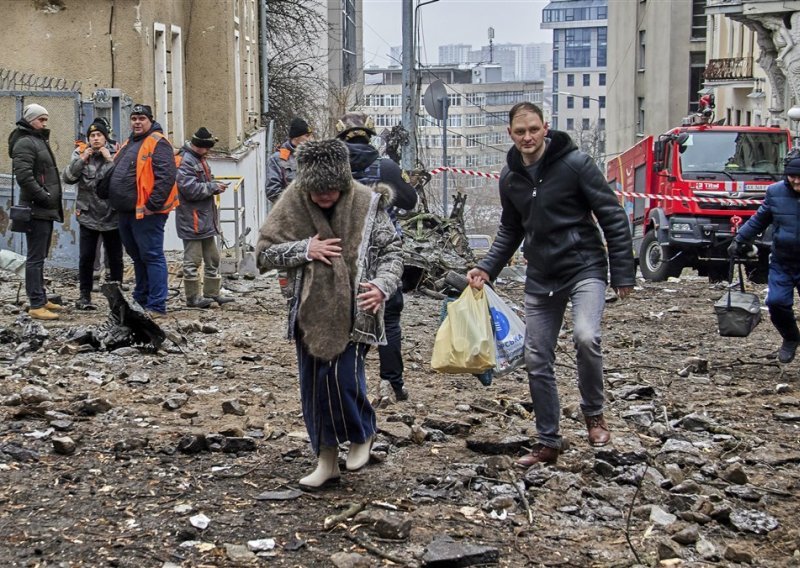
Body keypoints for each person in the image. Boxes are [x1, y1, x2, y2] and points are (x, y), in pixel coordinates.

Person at [466, 102, 635, 467]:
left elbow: (612, 216)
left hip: (584, 267)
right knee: (536, 356)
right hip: (541, 276)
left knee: (586, 336)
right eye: (520, 132)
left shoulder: (576, 165)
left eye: (533, 130)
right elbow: (511, 230)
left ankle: (594, 416)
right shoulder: (511, 177)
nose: (527, 137)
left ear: (546, 128)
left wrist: (623, 272)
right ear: (510, 135)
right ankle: (548, 441)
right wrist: (486, 269)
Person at [256, 138, 403, 489]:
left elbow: (392, 253)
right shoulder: (292, 200)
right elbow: (263, 253)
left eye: (331, 191)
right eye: (316, 192)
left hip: (357, 308)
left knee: (342, 379)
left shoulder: (368, 204)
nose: (324, 197)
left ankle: (362, 432)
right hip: (308, 311)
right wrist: (305, 248)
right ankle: (325, 459)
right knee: (313, 387)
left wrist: (382, 286)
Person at [335, 112, 418, 403]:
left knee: (344, 321)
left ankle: (346, 385)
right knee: (390, 318)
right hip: (383, 252)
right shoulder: (386, 167)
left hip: (342, 254)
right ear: (369, 137)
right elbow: (410, 201)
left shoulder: (331, 168)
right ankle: (391, 384)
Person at [101, 104, 178, 318]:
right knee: (137, 257)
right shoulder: (130, 142)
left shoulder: (158, 143)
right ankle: (140, 298)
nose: (136, 122)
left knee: (152, 256)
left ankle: (156, 304)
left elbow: (166, 176)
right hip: (126, 211)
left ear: (150, 121)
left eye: (141, 118)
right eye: (134, 118)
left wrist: (152, 205)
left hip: (146, 213)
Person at [729, 156, 800, 364]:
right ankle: (791, 337)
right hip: (783, 261)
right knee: (776, 302)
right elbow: (760, 219)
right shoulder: (775, 192)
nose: (796, 181)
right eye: (793, 176)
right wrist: (740, 239)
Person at [8, 103, 65, 320]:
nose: (44, 123)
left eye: (45, 119)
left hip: (43, 209)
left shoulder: (37, 140)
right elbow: (24, 176)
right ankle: (35, 303)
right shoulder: (26, 142)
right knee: (34, 258)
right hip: (36, 209)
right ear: (31, 120)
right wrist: (44, 196)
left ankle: (41, 297)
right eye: (41, 119)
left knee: (39, 256)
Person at [62, 118, 123, 310]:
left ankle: (117, 300)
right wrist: (81, 160)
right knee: (86, 257)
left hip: (112, 215)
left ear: (106, 138)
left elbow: (121, 180)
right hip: (88, 215)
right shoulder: (80, 154)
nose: (95, 139)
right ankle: (84, 296)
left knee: (115, 258)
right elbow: (68, 178)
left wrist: (109, 159)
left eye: (99, 135)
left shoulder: (116, 153)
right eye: (92, 136)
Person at [175, 127, 234, 308]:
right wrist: (213, 187)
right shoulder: (186, 162)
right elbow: (190, 189)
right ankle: (193, 298)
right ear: (200, 146)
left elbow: (200, 182)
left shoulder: (198, 160)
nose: (209, 151)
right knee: (192, 261)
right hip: (192, 219)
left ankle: (212, 293)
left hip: (204, 219)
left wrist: (213, 183)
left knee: (213, 259)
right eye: (207, 147)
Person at [265, 117, 313, 204]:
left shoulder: (312, 155)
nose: (310, 139)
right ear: (296, 137)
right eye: (306, 136)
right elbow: (272, 192)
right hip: (289, 212)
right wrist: (296, 204)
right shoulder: (277, 158)